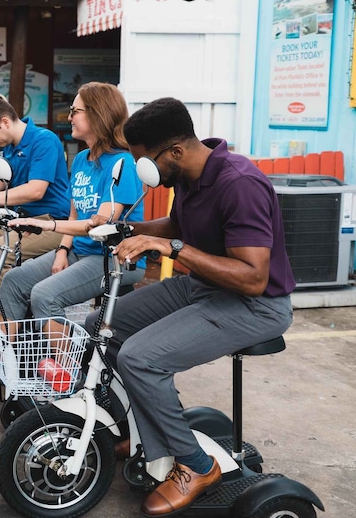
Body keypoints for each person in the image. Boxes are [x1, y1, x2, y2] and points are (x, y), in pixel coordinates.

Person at [85, 97, 296, 517]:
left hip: (257, 304)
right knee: (102, 325)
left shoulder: (239, 183)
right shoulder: (186, 174)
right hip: (203, 285)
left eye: (145, 161)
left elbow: (253, 277)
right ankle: (150, 435)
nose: (144, 171)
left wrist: (170, 248)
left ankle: (198, 466)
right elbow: (179, 226)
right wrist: (132, 230)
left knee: (141, 359)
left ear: (175, 152)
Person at [2, 83, 145, 324]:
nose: (69, 117)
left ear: (98, 114)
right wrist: (62, 251)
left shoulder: (123, 163)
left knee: (45, 295)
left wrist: (47, 226)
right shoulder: (80, 159)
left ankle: (60, 362)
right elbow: (73, 215)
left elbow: (98, 225)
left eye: (75, 111)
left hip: (113, 257)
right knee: (13, 281)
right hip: (80, 250)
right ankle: (9, 359)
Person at [0, 95, 69, 314]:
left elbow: (36, 190)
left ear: (6, 122)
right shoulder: (9, 145)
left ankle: (8, 325)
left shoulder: (43, 140)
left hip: (51, 221)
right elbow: (1, 180)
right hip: (21, 219)